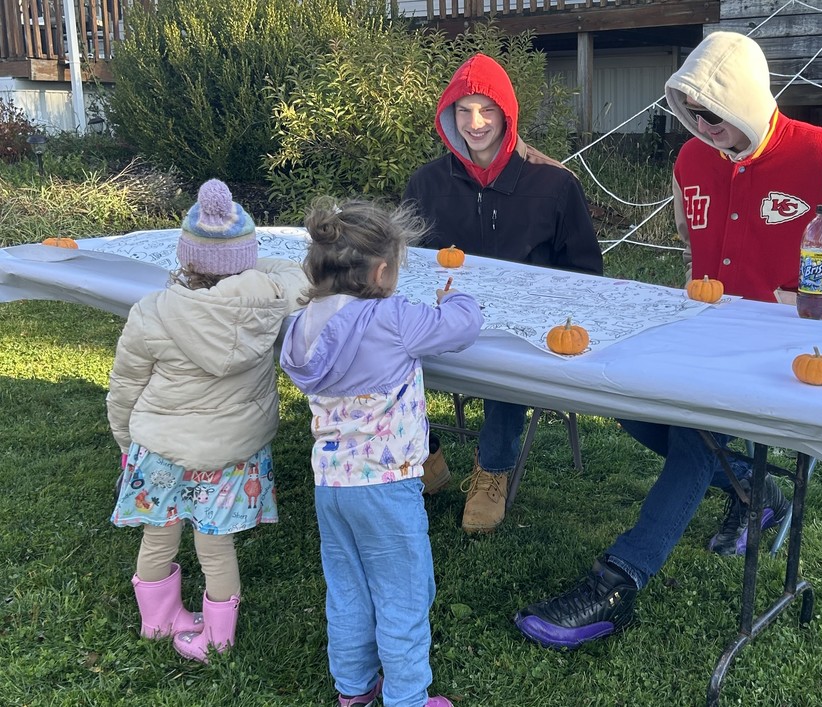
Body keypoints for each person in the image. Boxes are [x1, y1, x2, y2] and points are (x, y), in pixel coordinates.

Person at [514, 31, 822, 649]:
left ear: (746, 99)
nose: (702, 124)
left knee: (696, 438)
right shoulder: (690, 160)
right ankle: (759, 492)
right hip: (705, 332)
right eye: (690, 111)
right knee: (630, 407)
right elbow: (696, 241)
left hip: (785, 340)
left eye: (714, 111)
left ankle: (619, 578)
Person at [279, 198, 483, 707]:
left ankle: (353, 691)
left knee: (346, 588)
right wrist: (455, 298)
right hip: (388, 487)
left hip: (332, 485)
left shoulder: (302, 325)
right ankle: (407, 698)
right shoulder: (392, 318)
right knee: (404, 595)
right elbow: (461, 327)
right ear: (383, 270)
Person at [107, 179, 308, 662]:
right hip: (232, 453)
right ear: (248, 258)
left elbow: (125, 389)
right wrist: (252, 266)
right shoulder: (274, 302)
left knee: (158, 536)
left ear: (185, 257)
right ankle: (217, 639)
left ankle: (158, 621)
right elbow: (301, 274)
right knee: (215, 547)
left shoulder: (152, 312)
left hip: (160, 447)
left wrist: (123, 440)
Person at [403, 53, 603, 534]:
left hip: (522, 322)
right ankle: (421, 449)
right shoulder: (425, 183)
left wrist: (550, 306)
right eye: (463, 110)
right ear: (448, 115)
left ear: (507, 115)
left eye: (487, 110)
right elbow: (406, 266)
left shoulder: (554, 184)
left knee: (509, 360)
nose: (475, 123)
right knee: (383, 341)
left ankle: (492, 469)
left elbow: (586, 270)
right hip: (443, 316)